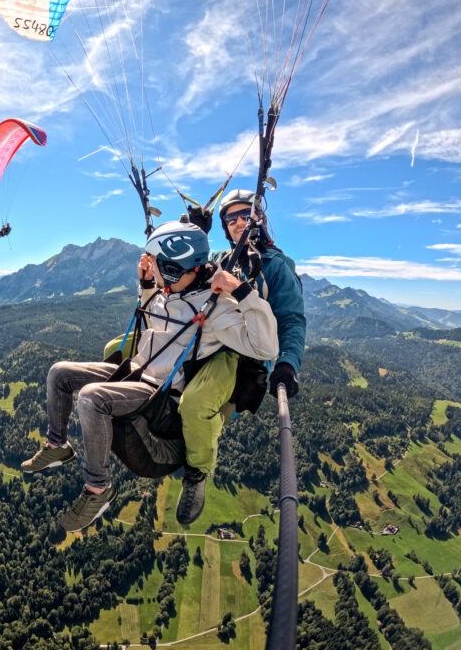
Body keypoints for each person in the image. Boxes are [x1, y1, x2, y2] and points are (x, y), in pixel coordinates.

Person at [20, 221, 279, 532]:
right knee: (58, 372)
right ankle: (57, 446)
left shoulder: (217, 307)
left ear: (172, 267)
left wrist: (242, 292)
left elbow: (265, 347)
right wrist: (145, 286)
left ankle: (98, 490)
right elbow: (155, 320)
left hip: (160, 393)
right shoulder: (167, 291)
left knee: (91, 398)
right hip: (137, 371)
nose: (150, 268)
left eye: (155, 264)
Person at [175, 189, 306, 524]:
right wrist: (193, 233)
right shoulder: (222, 258)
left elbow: (290, 319)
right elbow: (190, 273)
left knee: (195, 405)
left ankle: (197, 475)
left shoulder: (276, 268)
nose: (236, 222)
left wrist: (288, 363)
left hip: (241, 355)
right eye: (229, 218)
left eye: (243, 215)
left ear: (258, 218)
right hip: (206, 337)